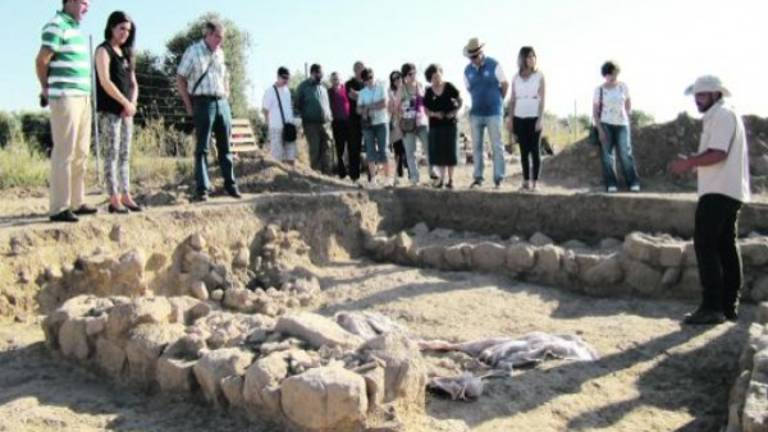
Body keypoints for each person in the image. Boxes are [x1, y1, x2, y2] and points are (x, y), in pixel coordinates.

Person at [670, 76, 751, 325]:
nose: (697, 100)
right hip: (725, 189)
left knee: (706, 244)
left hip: (719, 190)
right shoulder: (720, 115)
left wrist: (689, 163)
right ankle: (727, 306)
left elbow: (718, 153)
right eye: (696, 95)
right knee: (725, 245)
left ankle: (713, 306)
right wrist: (695, 159)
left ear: (716, 95)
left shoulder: (723, 115)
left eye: (702, 95)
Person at [36, 0, 97, 223]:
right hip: (65, 96)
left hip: (83, 97)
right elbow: (42, 61)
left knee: (81, 151)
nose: (87, 7)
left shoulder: (75, 30)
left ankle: (76, 202)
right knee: (65, 151)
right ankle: (59, 207)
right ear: (70, 1)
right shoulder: (56, 25)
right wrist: (46, 88)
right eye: (83, 2)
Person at [176, 20, 240, 202]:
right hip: (202, 102)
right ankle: (202, 188)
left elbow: (225, 76)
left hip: (221, 102)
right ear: (208, 34)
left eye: (222, 37)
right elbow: (180, 78)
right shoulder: (193, 51)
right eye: (217, 36)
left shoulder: (220, 53)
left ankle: (230, 184)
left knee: (225, 146)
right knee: (202, 148)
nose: (220, 41)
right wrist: (189, 105)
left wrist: (226, 95)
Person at [95, 11, 142, 214]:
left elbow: (133, 83)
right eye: (121, 28)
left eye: (128, 30)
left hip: (126, 113)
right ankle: (113, 198)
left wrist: (132, 103)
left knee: (124, 155)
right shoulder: (103, 50)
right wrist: (124, 102)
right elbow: (105, 81)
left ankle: (126, 194)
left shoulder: (128, 53)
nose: (124, 33)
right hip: (110, 111)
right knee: (111, 154)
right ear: (112, 27)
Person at [463, 38, 509, 189]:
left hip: (494, 112)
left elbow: (505, 84)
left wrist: (499, 99)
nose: (473, 59)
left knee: (497, 145)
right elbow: (469, 89)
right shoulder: (467, 71)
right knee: (476, 147)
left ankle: (499, 178)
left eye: (475, 56)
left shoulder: (494, 65)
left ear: (481, 52)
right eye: (471, 57)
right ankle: (478, 178)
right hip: (476, 113)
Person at [593, 61, 640, 193]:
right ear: (605, 74)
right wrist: (599, 129)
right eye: (609, 73)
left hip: (622, 124)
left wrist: (627, 115)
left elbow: (628, 102)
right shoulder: (599, 90)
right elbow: (595, 112)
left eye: (614, 73)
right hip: (605, 124)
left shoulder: (623, 87)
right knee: (607, 155)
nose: (612, 76)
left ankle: (633, 182)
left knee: (626, 153)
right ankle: (611, 184)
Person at [507, 46, 545, 191]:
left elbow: (542, 99)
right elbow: (512, 100)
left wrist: (540, 119)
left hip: (534, 115)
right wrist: (510, 119)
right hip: (519, 116)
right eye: (528, 56)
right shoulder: (516, 78)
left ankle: (535, 182)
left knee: (535, 150)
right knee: (523, 151)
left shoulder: (539, 76)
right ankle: (525, 181)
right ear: (522, 59)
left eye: (533, 56)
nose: (531, 59)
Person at [424, 64, 462, 189]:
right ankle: (441, 179)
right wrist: (435, 114)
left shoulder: (449, 86)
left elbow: (460, 100)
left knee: (450, 152)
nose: (436, 79)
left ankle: (451, 180)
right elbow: (426, 110)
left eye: (438, 76)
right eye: (433, 77)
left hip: (450, 124)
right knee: (439, 153)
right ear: (430, 78)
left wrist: (454, 112)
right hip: (435, 126)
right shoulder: (428, 92)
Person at [357, 68, 392, 186]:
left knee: (384, 150)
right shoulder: (362, 92)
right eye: (366, 79)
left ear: (373, 76)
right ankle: (373, 180)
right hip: (368, 125)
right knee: (370, 151)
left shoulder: (381, 87)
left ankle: (387, 179)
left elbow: (384, 103)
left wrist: (368, 107)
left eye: (370, 77)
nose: (369, 80)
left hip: (382, 123)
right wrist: (365, 111)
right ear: (363, 80)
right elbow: (358, 109)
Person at [296, 64, 333, 174]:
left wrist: (330, 117)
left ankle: (327, 175)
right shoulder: (303, 87)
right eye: (319, 73)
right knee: (315, 150)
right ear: (313, 73)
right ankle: (316, 176)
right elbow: (297, 105)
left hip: (326, 124)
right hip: (311, 125)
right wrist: (299, 121)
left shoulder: (323, 87)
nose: (321, 76)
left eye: (322, 73)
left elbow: (326, 105)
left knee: (327, 149)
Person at [397, 63, 431, 186]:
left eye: (415, 73)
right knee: (410, 152)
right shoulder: (401, 89)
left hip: (421, 122)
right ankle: (415, 178)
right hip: (407, 125)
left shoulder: (421, 86)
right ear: (405, 75)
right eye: (410, 74)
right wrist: (399, 126)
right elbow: (396, 108)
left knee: (428, 149)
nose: (413, 76)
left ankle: (433, 174)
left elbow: (425, 104)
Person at [262, 67, 297, 166]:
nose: (286, 80)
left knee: (291, 156)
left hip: (289, 127)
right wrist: (268, 124)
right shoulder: (270, 91)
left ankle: (291, 178)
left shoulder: (287, 91)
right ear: (278, 76)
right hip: (276, 127)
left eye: (288, 78)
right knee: (277, 157)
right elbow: (265, 109)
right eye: (284, 77)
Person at [344, 61, 366, 183]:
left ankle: (371, 177)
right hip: (354, 120)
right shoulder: (348, 84)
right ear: (355, 70)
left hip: (367, 119)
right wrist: (366, 96)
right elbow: (351, 97)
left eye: (363, 68)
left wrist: (360, 95)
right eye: (359, 68)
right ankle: (354, 176)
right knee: (354, 148)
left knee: (370, 148)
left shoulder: (367, 83)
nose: (361, 70)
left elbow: (373, 97)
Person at [328, 71, 350, 178]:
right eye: (333, 79)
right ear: (330, 81)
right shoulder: (329, 92)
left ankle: (352, 170)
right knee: (339, 148)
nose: (335, 81)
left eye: (337, 79)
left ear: (340, 79)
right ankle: (342, 173)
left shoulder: (346, 89)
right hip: (336, 123)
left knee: (350, 147)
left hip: (348, 122)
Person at [388, 71, 407, 181]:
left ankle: (410, 174)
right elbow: (390, 109)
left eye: (399, 77)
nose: (397, 80)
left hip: (409, 123)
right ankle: (396, 175)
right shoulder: (391, 92)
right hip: (396, 124)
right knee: (398, 150)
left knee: (408, 149)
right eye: (394, 79)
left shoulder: (408, 89)